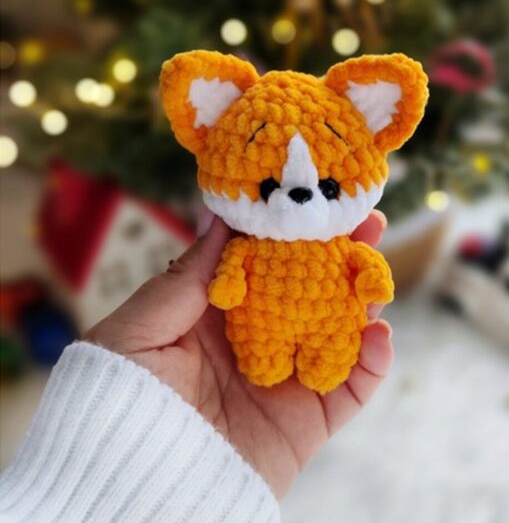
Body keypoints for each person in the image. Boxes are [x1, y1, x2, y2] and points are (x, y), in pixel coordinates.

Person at [0, 209, 394, 522]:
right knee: (267, 354)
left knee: (328, 355)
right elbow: (230, 273)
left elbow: (369, 269)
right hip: (259, 336)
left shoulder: (334, 244)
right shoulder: (250, 244)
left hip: (321, 329)